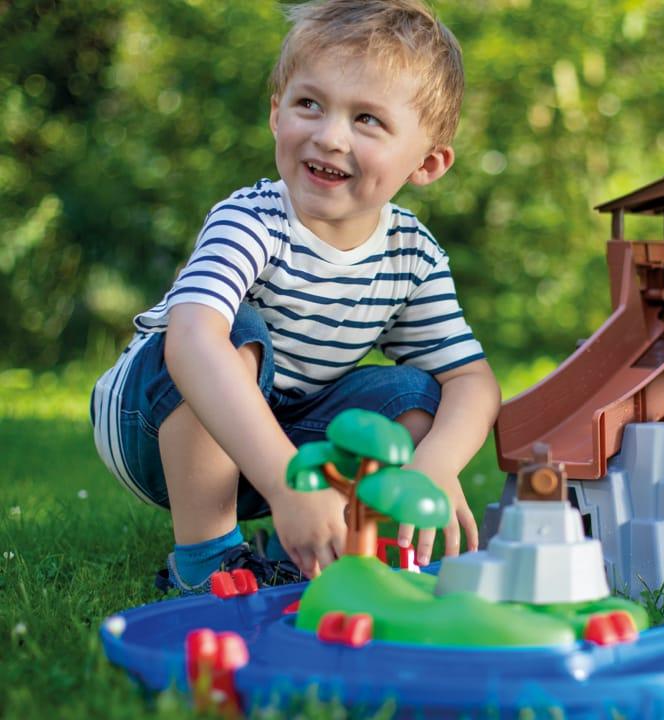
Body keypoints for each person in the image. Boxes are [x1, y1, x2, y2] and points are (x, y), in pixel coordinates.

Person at [90, 0, 500, 595]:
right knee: (233, 329)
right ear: (276, 114)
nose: (330, 136)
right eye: (310, 104)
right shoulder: (252, 219)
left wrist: (433, 468)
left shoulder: (412, 254)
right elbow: (190, 341)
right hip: (154, 425)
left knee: (418, 397)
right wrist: (288, 486)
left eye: (367, 120)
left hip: (282, 435)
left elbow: (473, 381)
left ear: (428, 162)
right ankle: (208, 559)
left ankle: (310, 549)